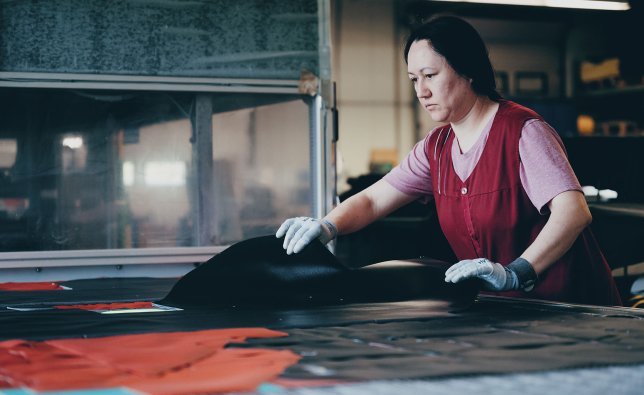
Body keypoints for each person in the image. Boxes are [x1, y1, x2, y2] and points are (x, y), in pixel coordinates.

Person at [276, 15, 622, 306]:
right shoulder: (436, 148)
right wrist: (326, 226)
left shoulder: (523, 131)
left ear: (468, 70)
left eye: (430, 75)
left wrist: (517, 272)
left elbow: (573, 212)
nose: (420, 91)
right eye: (414, 79)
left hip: (572, 309)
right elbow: (373, 198)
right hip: (506, 312)